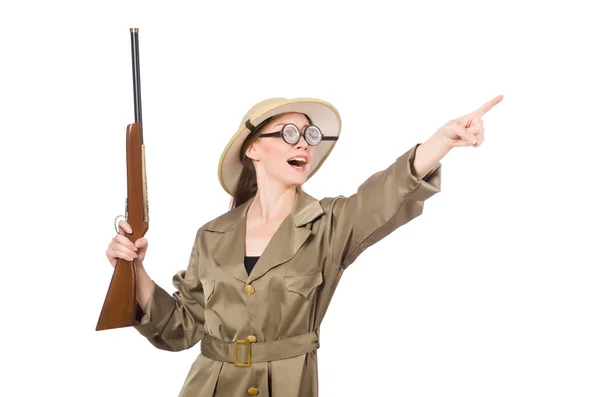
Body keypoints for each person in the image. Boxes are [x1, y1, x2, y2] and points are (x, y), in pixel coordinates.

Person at [106, 95, 503, 396]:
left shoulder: (330, 224)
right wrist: (135, 268)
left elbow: (383, 194)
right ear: (253, 149)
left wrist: (442, 141)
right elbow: (180, 329)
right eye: (290, 134)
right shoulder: (211, 235)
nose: (304, 145)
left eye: (310, 136)